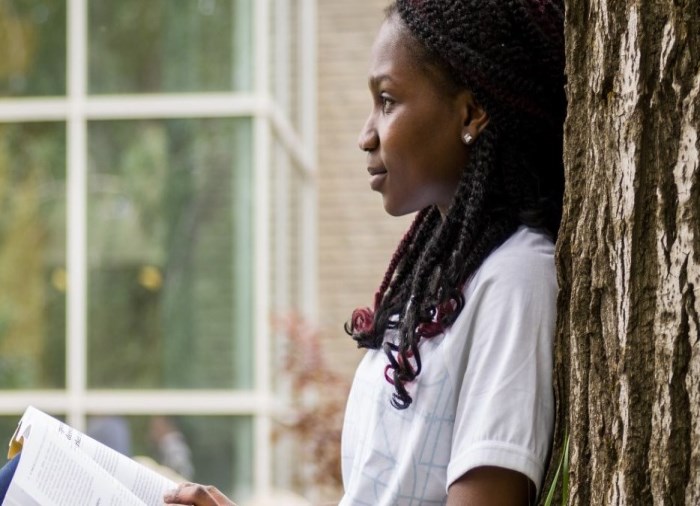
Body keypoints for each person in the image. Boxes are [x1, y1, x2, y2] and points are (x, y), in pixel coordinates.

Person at [2, 0, 565, 504]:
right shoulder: (435, 284)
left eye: (387, 101)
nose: (366, 135)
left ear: (471, 113)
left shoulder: (516, 279)